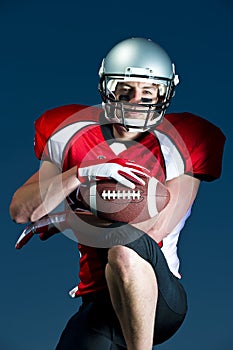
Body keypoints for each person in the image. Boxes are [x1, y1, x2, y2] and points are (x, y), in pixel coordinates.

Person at [10, 37, 226, 350]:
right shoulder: (74, 135)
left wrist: (68, 218)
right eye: (125, 91)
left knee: (125, 249)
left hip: (157, 293)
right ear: (107, 90)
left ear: (164, 95)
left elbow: (152, 227)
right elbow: (21, 210)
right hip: (98, 299)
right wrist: (81, 173)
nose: (136, 100)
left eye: (148, 92)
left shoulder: (183, 140)